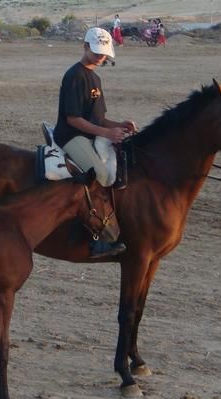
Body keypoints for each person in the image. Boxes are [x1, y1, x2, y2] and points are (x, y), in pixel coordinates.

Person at [53, 27, 137, 259]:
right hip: (70, 135)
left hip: (90, 133)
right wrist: (106, 133)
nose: (102, 57)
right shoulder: (74, 75)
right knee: (99, 174)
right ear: (85, 46)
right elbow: (73, 119)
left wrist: (118, 125)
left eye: (104, 53)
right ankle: (95, 238)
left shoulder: (95, 77)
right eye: (98, 52)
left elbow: (98, 118)